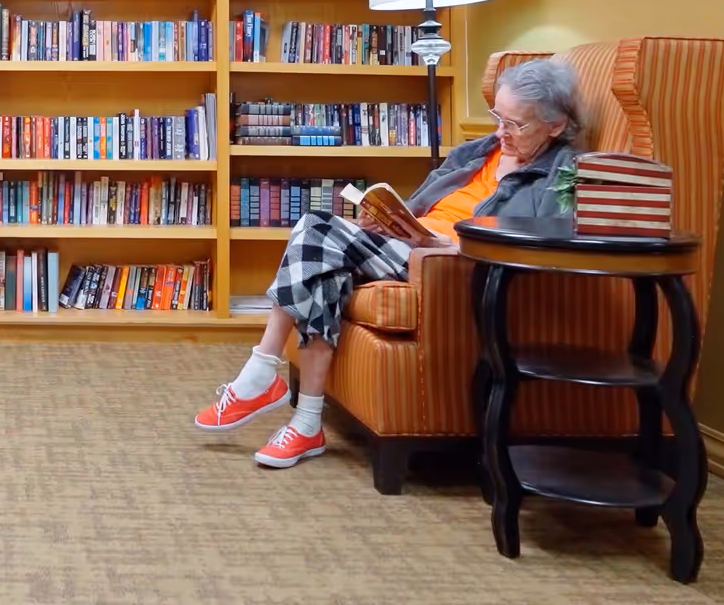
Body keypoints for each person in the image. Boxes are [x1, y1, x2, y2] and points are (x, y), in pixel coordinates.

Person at [194, 58, 585, 470]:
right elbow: (419, 204)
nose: (500, 132)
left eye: (516, 124)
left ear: (555, 125)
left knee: (314, 227)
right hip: (407, 246)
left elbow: (541, 245)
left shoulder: (560, 175)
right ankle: (307, 423)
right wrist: (383, 220)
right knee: (321, 270)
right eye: (497, 117)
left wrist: (450, 245)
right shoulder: (478, 150)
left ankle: (261, 371)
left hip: (450, 265)